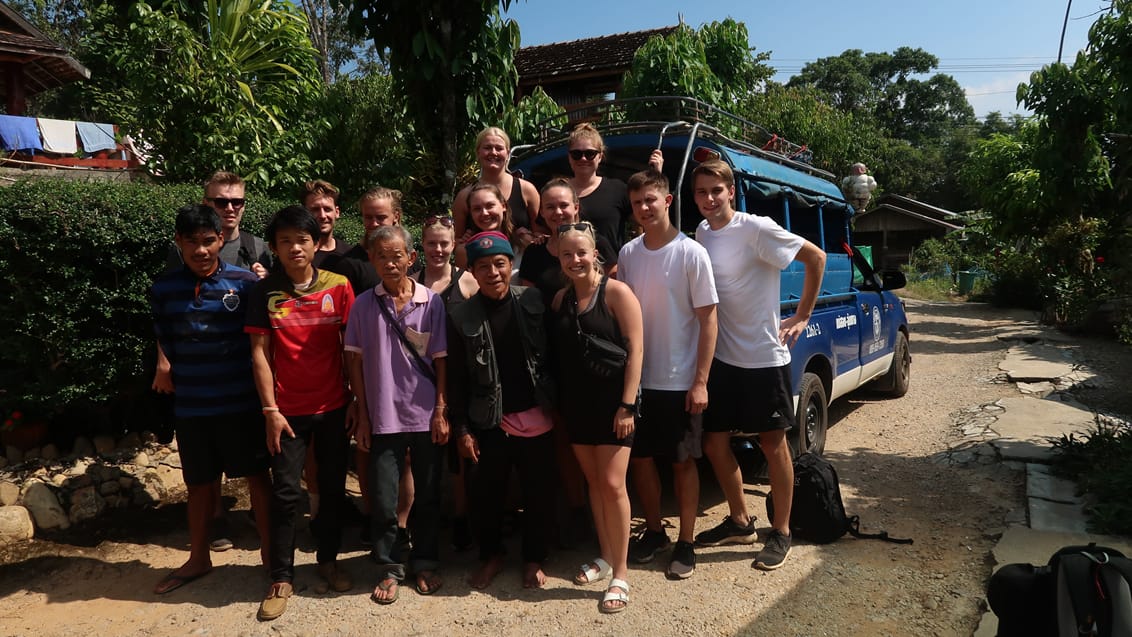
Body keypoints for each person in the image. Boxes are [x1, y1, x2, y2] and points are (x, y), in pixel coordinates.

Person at [692, 159, 826, 571]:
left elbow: (816, 257)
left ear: (731, 191)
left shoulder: (757, 227)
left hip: (764, 357)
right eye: (701, 192)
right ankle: (739, 520)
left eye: (716, 190)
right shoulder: (701, 233)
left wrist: (803, 315)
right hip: (723, 360)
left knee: (772, 445)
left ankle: (781, 531)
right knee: (714, 443)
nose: (709, 199)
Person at [149, 204, 272, 595]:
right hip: (192, 407)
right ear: (178, 243)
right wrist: (163, 364)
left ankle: (273, 561)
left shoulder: (245, 284)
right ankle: (198, 557)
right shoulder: (163, 289)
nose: (201, 251)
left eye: (208, 241)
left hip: (241, 404)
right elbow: (162, 336)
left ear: (221, 239)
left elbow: (261, 343)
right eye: (192, 243)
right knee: (199, 485)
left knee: (258, 479)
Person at [246, 206, 355, 621]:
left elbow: (352, 349)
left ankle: (327, 560)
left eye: (302, 239)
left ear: (315, 244)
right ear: (274, 247)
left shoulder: (339, 286)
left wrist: (356, 402)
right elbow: (259, 353)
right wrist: (270, 410)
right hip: (286, 411)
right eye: (286, 240)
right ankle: (282, 576)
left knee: (330, 488)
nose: (295, 247)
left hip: (333, 406)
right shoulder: (265, 292)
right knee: (286, 493)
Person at [618, 169, 718, 580]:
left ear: (668, 200)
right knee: (640, 461)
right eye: (637, 202)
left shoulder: (691, 253)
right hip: (640, 381)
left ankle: (687, 541)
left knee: (682, 464)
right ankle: (656, 531)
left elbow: (709, 320)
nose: (644, 207)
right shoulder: (628, 255)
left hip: (679, 381)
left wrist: (700, 380)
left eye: (651, 200)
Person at [447, 231, 557, 590]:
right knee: (486, 495)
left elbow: (555, 356)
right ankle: (491, 555)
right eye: (483, 267)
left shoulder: (533, 300)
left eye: (499, 264)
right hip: (488, 421)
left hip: (538, 416)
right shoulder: (460, 315)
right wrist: (462, 429)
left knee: (539, 492)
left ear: (511, 266)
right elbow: (457, 378)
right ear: (473, 273)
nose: (493, 272)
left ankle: (534, 558)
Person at [346, 225, 449, 604]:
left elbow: (441, 362)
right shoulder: (362, 305)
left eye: (397, 256)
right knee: (384, 496)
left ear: (411, 258)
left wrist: (441, 410)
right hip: (383, 413)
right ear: (371, 260)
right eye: (381, 256)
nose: (390, 263)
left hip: (425, 415)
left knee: (428, 494)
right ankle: (390, 566)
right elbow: (353, 361)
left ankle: (424, 561)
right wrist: (363, 412)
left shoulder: (430, 302)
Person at [517, 177, 618, 547]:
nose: (558, 212)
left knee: (604, 442)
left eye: (564, 205)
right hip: (551, 355)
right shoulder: (534, 254)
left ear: (577, 207)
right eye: (550, 207)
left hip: (597, 358)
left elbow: (613, 301)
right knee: (565, 437)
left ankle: (608, 516)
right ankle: (578, 513)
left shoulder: (598, 246)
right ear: (541, 213)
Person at [550, 222, 643, 613]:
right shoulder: (560, 300)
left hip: (614, 406)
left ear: (596, 254)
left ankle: (621, 572)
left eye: (582, 252)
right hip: (577, 406)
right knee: (593, 482)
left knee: (613, 484)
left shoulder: (618, 294)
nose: (575, 260)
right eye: (568, 253)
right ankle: (605, 557)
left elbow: (637, 351)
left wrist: (628, 406)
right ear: (560, 256)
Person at [416, 214, 479, 550]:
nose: (438, 249)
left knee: (459, 454)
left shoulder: (467, 281)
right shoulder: (412, 281)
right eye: (431, 243)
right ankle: (423, 517)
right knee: (421, 453)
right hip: (419, 379)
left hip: (460, 377)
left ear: (454, 244)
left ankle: (461, 517)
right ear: (422, 245)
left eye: (444, 243)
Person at [566, 123, 663, 250]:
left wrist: (656, 177)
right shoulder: (559, 192)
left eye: (590, 154)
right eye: (576, 154)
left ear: (600, 156)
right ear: (569, 157)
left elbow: (648, 219)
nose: (583, 159)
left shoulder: (617, 190)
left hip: (612, 268)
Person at [453, 127, 540, 267]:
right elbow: (455, 243)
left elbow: (541, 234)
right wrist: (462, 242)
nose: (493, 152)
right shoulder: (464, 196)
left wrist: (531, 240)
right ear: (478, 153)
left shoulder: (526, 190)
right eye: (487, 148)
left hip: (521, 269)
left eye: (499, 148)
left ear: (508, 153)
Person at [343, 187, 404, 263]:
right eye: (368, 217)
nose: (374, 224)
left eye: (380, 217)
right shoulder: (350, 262)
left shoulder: (408, 258)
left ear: (396, 216)